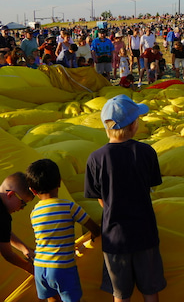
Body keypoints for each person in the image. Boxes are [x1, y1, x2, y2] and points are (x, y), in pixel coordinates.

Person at [84, 95, 167, 302]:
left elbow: (100, 199)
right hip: (144, 232)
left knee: (120, 294)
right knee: (150, 290)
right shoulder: (146, 152)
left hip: (114, 238)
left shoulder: (95, 158)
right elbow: (148, 186)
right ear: (133, 125)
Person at [26, 159, 101, 302]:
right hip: (62, 267)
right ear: (60, 182)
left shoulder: (34, 212)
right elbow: (95, 229)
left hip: (40, 267)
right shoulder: (69, 207)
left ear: (33, 191)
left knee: (53, 299)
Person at [0, 172, 35, 275]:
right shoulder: (2, 215)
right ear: (11, 194)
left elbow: (4, 233)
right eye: (23, 203)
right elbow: (8, 255)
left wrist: (25, 249)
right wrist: (31, 269)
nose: (22, 208)